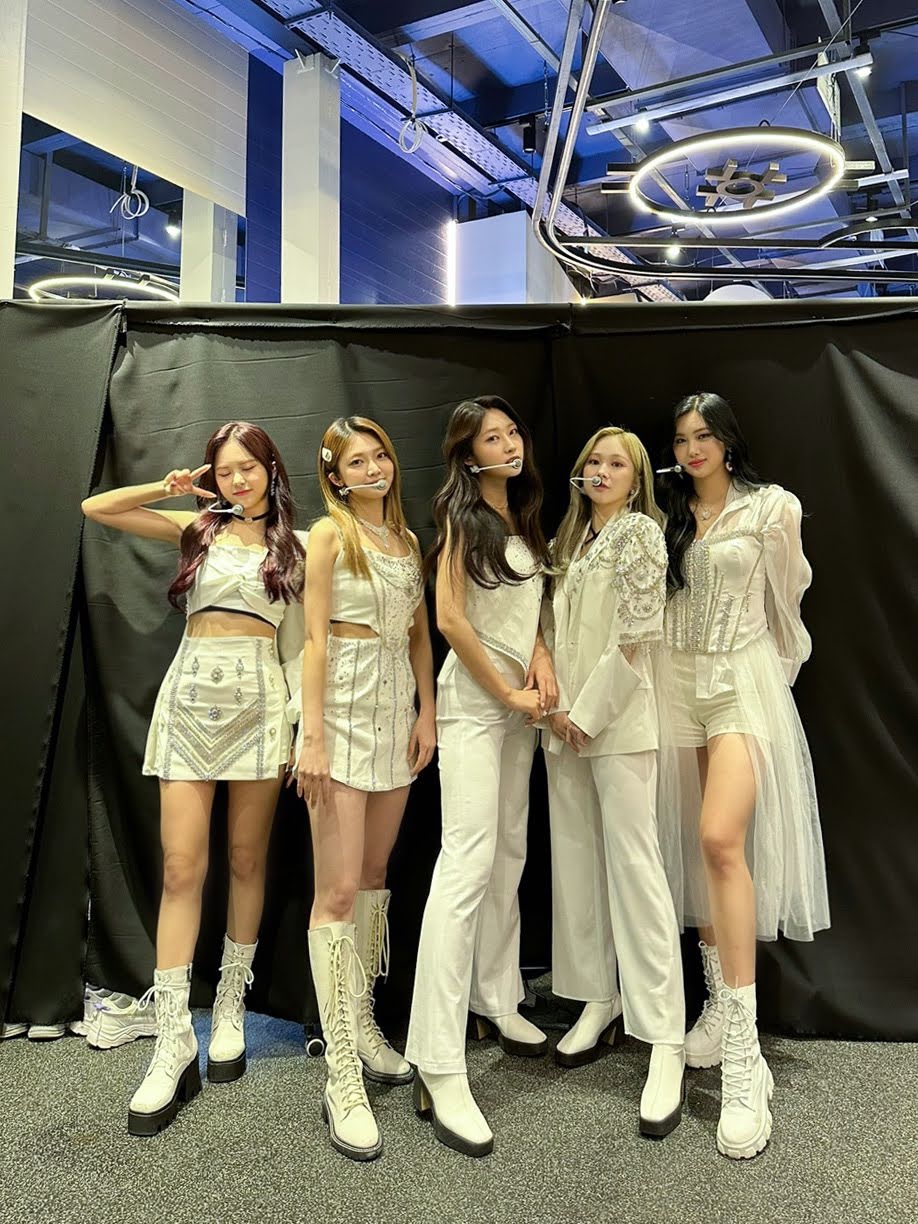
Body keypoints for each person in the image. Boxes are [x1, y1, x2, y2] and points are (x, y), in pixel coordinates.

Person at [81, 421, 305, 1136]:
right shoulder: (196, 531)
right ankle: (174, 1035)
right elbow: (98, 508)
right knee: (182, 868)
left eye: (250, 467)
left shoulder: (297, 549)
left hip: (261, 701)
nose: (239, 479)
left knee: (245, 860)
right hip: (189, 699)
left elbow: (300, 650)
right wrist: (170, 486)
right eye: (225, 469)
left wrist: (301, 726)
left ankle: (231, 1004)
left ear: (272, 470)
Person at [660, 391, 829, 1160]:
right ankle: (720, 1009)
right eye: (680, 438)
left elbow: (789, 606)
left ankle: (744, 1054)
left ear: (727, 441)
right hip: (679, 684)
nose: (692, 448)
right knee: (701, 853)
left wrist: (770, 685)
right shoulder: (670, 515)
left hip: (740, 681)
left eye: (704, 435)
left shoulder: (771, 508)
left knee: (720, 838)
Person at [405, 395, 557, 1158]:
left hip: (517, 710)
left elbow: (527, 613)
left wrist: (542, 660)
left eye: (512, 431)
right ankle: (436, 1057)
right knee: (465, 863)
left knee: (508, 852)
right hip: (474, 706)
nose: (509, 444)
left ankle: (496, 997)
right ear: (468, 455)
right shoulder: (462, 518)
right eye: (492, 438)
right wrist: (506, 691)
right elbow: (451, 620)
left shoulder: (522, 519)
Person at [291, 417, 436, 1162]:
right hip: (340, 712)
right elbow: (313, 637)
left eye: (380, 454)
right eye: (357, 461)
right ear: (335, 475)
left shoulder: (407, 542)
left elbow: (419, 634)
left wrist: (427, 711)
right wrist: (311, 734)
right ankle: (339, 1065)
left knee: (376, 874)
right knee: (339, 889)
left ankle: (364, 1020)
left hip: (394, 712)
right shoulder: (329, 534)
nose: (374, 467)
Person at [544, 426, 686, 1138]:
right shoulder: (567, 543)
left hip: (618, 722)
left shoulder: (640, 535)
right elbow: (550, 631)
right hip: (562, 723)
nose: (601, 470)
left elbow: (637, 635)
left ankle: (664, 1035)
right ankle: (599, 997)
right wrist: (557, 710)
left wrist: (588, 714)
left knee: (635, 868)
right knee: (576, 861)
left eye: (616, 463)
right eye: (593, 460)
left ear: (636, 478)